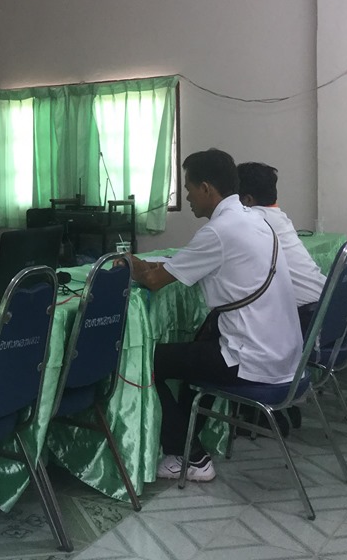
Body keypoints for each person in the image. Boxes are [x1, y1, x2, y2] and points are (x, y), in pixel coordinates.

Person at [127, 149, 301, 482]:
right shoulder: (255, 220)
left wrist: (129, 263)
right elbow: (185, 266)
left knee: (143, 361)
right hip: (284, 353)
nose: (187, 197)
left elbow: (154, 282)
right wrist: (156, 267)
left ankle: (189, 457)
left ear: (206, 188)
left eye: (189, 188)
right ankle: (188, 442)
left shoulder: (219, 231)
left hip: (252, 358)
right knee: (193, 350)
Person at [237, 162, 325, 332]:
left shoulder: (252, 221)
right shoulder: (279, 217)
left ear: (247, 199)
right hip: (325, 307)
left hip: (304, 318)